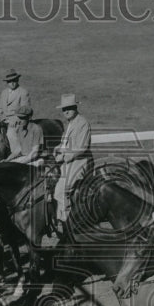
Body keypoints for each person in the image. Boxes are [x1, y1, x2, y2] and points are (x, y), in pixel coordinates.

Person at [53, 93, 93, 229]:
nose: (66, 111)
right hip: (68, 163)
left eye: (69, 108)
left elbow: (82, 148)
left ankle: (70, 224)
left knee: (62, 191)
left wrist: (63, 156)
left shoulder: (82, 123)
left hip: (80, 162)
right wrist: (58, 148)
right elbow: (66, 144)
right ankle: (61, 222)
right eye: (64, 109)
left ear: (75, 107)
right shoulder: (70, 124)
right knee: (53, 187)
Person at [0, 69, 31, 155]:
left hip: (18, 121)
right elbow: (0, 108)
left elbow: (25, 110)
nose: (12, 83)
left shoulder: (23, 92)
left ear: (17, 80)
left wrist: (15, 119)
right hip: (4, 119)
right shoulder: (4, 93)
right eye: (10, 81)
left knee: (10, 134)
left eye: (14, 80)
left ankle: (16, 154)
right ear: (7, 82)